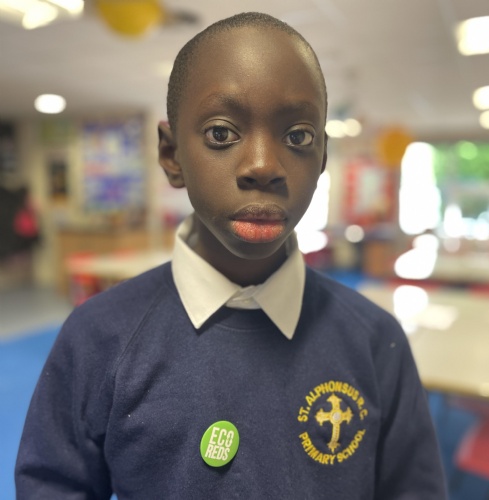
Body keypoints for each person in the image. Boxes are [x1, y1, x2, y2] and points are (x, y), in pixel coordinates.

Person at [15, 12, 447, 499]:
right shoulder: (99, 338)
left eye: (298, 136)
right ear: (172, 155)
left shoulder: (374, 342)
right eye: (221, 133)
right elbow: (52, 484)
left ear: (322, 158)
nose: (263, 166)